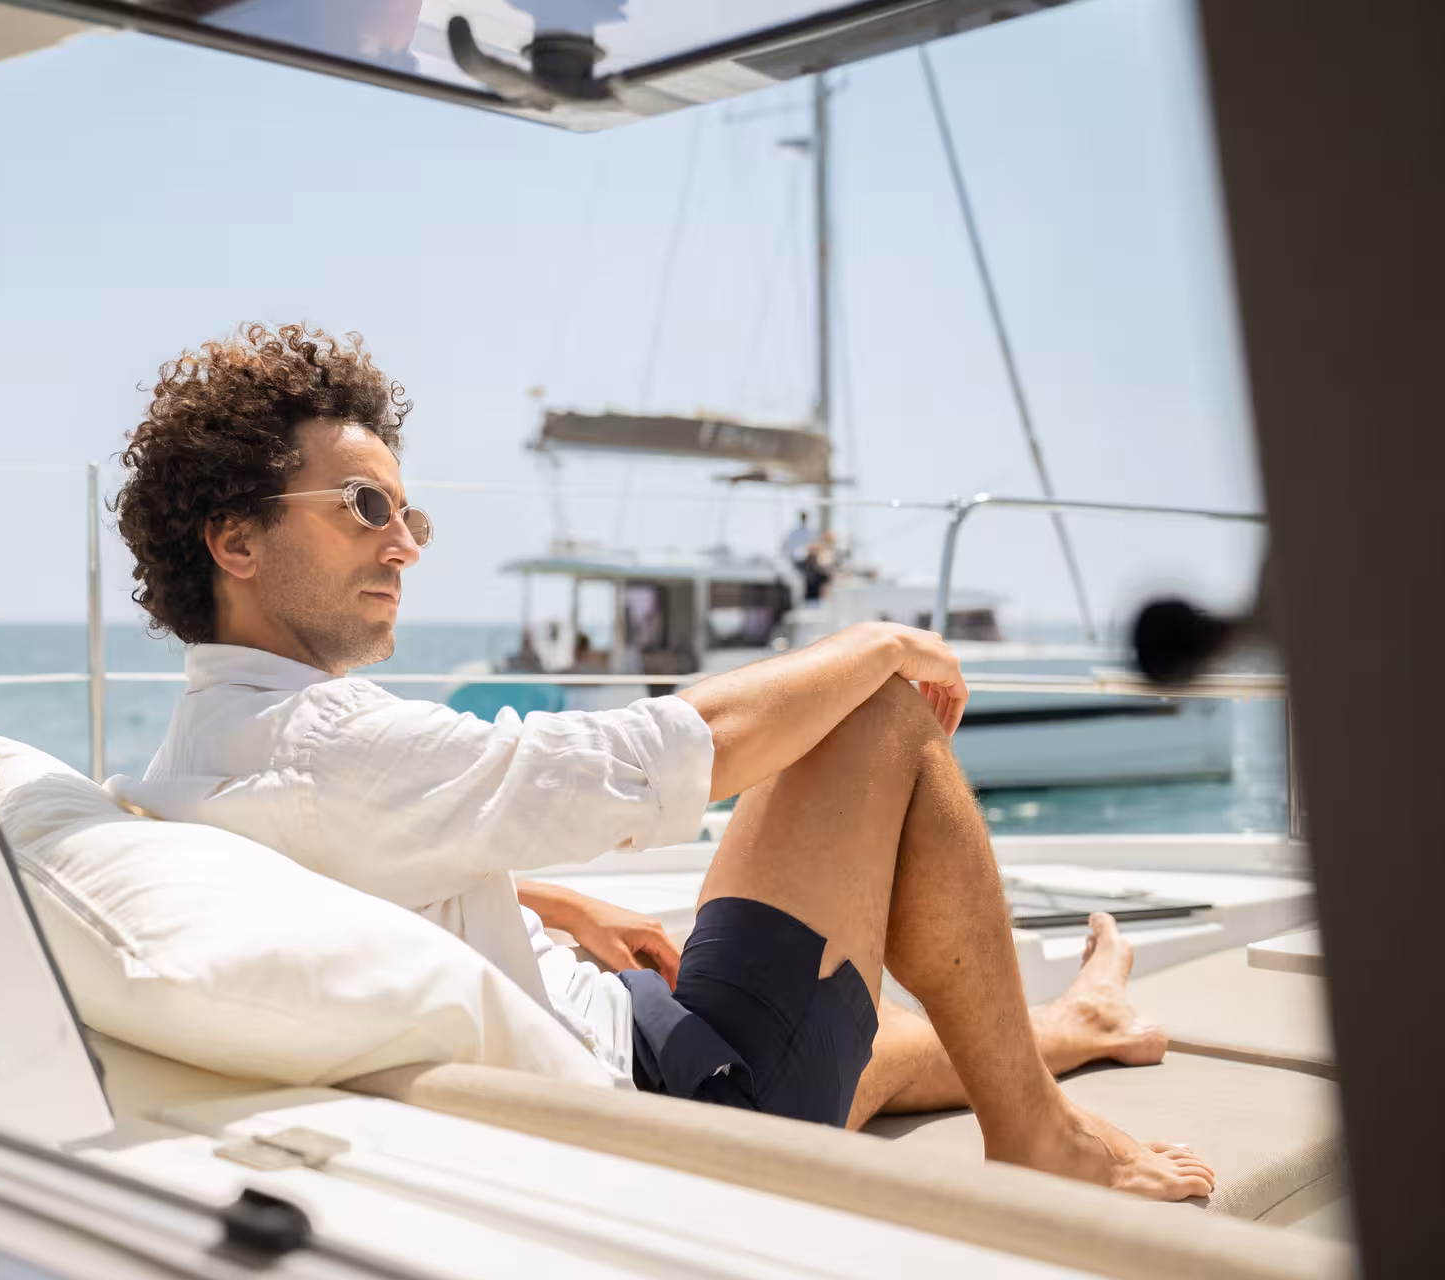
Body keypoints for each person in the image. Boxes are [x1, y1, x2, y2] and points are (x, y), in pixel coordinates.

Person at [112, 323, 1212, 1201]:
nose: (403, 544)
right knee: (874, 716)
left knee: (808, 1025)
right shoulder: (324, 745)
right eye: (363, 508)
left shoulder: (195, 756)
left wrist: (547, 900)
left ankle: (1073, 1027)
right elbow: (618, 762)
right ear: (236, 541)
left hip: (625, 1028)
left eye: (410, 514)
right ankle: (1036, 1137)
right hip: (684, 1113)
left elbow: (323, 863)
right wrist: (870, 641)